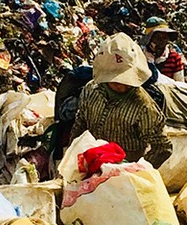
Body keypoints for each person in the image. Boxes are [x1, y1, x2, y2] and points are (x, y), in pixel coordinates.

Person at [69, 33, 170, 166]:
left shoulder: (144, 107)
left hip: (124, 171)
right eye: (115, 80)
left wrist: (138, 169)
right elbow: (80, 123)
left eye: (125, 80)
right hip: (92, 162)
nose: (121, 85)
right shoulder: (91, 90)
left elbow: (162, 148)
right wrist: (72, 155)